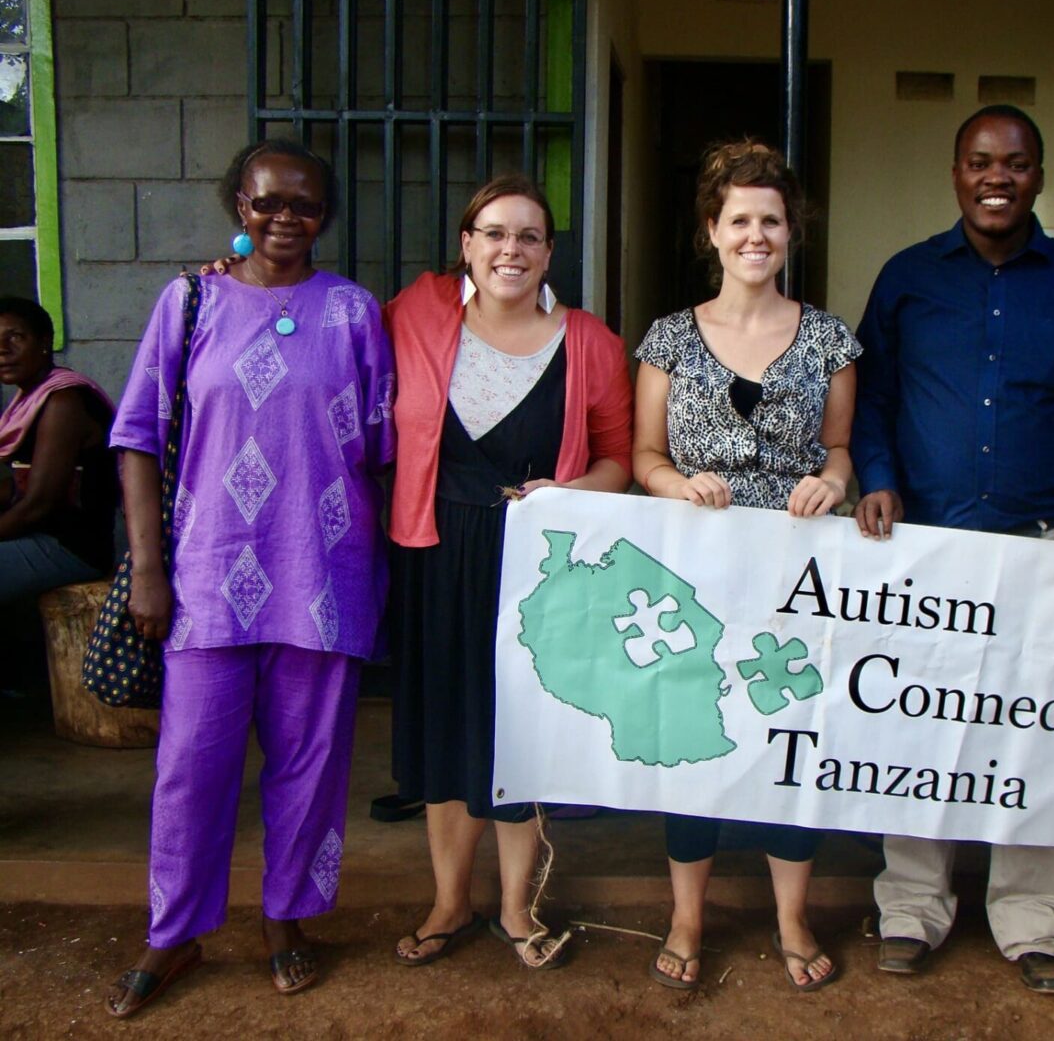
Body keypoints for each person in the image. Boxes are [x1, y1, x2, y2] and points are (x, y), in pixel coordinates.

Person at [104, 139, 396, 1016]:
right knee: (191, 764)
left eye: (304, 205)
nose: (285, 218)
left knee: (310, 762)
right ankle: (175, 930)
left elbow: (383, 444)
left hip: (325, 569)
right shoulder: (188, 300)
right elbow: (137, 436)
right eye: (267, 201)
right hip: (204, 571)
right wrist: (149, 567)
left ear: (326, 216)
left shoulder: (352, 311)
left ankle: (287, 920)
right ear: (239, 204)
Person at [851, 105, 1054, 994]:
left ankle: (1033, 921)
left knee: (1033, 737)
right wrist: (876, 474)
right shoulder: (906, 279)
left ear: (1039, 177)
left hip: (1047, 549)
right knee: (915, 728)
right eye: (980, 161)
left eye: (1014, 163)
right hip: (926, 546)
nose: (996, 177)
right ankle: (912, 908)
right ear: (955, 173)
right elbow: (871, 402)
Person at [386, 175, 633, 969]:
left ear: (549, 251)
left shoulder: (589, 341)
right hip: (439, 549)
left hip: (536, 562)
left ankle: (517, 909)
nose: (510, 250)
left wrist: (571, 492)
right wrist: (231, 267)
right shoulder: (414, 315)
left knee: (520, 732)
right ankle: (449, 903)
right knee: (447, 726)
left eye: (528, 237)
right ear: (466, 245)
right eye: (493, 233)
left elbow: (619, 459)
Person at [632, 139, 860, 991]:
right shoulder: (668, 339)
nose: (755, 235)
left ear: (790, 232)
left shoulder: (832, 338)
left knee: (790, 735)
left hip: (796, 576)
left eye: (771, 220)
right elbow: (644, 454)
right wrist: (677, 484)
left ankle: (791, 917)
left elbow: (840, 449)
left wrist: (831, 481)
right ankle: (687, 917)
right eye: (740, 221)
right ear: (712, 231)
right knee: (693, 737)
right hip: (696, 571)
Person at [0, 297, 118, 602]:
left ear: (44, 342)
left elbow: (39, 504)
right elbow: (15, 487)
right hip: (38, 537)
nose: (3, 350)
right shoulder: (28, 399)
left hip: (71, 548)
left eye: (15, 337)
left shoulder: (63, 400)